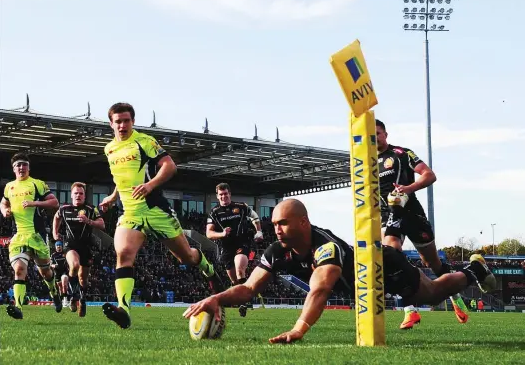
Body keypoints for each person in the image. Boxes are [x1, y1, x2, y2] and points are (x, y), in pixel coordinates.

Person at [183, 199, 496, 344]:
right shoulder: (276, 251)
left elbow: (320, 289)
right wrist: (218, 299)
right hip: (358, 285)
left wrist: (299, 329)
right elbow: (249, 289)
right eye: (274, 223)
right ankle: (474, 270)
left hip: (382, 266)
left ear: (303, 223)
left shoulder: (325, 246)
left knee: (433, 294)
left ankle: (474, 270)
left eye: (283, 223)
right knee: (432, 294)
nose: (276, 229)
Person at [98, 102, 224, 329]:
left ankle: (210, 270)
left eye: (126, 120)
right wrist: (112, 196)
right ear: (111, 124)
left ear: (133, 121)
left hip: (156, 210)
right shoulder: (109, 149)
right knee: (124, 253)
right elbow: (121, 178)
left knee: (186, 257)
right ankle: (124, 310)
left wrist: (150, 185)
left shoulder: (144, 142)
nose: (122, 125)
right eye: (118, 121)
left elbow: (170, 166)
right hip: (131, 212)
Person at [375, 119, 470, 329]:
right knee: (391, 254)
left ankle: (454, 296)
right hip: (388, 215)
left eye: (378, 133)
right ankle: (410, 310)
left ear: (386, 134)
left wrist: (409, 188)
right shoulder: (364, 162)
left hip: (412, 213)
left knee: (432, 263)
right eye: (371, 135)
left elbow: (429, 175)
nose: (375, 138)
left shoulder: (401, 154)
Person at [0, 152, 62, 319]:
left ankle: (54, 292)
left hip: (37, 235)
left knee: (46, 273)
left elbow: (54, 202)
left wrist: (35, 202)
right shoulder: (9, 186)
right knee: (19, 270)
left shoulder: (37, 184)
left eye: (24, 164)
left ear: (29, 167)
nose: (21, 167)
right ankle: (18, 307)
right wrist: (4, 210)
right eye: (18, 165)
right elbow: (4, 202)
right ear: (13, 169)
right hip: (18, 235)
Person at [206, 182, 263, 317]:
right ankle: (243, 296)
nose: (223, 197)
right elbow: (208, 233)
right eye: (221, 195)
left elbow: (254, 216)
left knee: (240, 269)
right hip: (225, 247)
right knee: (234, 281)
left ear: (229, 194)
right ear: (217, 196)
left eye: (225, 194)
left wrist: (259, 231)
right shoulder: (214, 213)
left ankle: (246, 301)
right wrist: (222, 234)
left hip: (242, 243)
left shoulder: (241, 207)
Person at [52, 182, 105, 317]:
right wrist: (54, 232)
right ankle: (73, 296)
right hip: (70, 245)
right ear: (71, 195)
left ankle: (82, 299)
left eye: (81, 193)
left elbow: (102, 224)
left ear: (84, 195)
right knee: (74, 266)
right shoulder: (64, 208)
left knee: (83, 279)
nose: (78, 195)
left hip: (86, 247)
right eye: (76, 193)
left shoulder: (91, 209)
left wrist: (89, 221)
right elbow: (56, 217)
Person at [50, 241, 69, 308]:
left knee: (64, 283)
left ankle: (65, 301)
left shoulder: (65, 254)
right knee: (60, 288)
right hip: (57, 272)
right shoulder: (53, 255)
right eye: (57, 245)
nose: (58, 246)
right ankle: (61, 300)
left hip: (64, 271)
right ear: (55, 247)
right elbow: (50, 264)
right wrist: (54, 266)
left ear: (62, 246)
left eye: (59, 245)